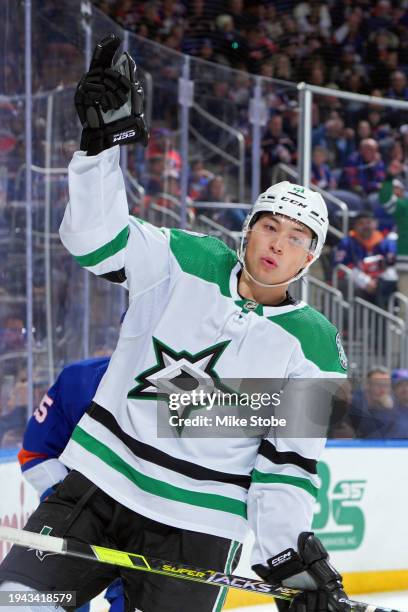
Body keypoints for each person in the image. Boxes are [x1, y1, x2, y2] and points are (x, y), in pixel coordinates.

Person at [0, 35, 350, 612]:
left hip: (198, 531)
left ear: (308, 259)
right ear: (248, 230)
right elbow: (95, 241)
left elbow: (285, 463)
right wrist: (98, 152)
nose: (277, 244)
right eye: (269, 227)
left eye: (296, 239)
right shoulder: (182, 260)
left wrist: (288, 558)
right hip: (95, 492)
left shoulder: (315, 346)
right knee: (20, 604)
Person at [18, 357, 124, 612]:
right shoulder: (81, 379)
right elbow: (35, 453)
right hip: (76, 520)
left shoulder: (189, 386)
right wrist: (73, 508)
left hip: (149, 525)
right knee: (47, 597)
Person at [332, 210, 397, 309]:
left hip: (381, 282)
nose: (366, 226)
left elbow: (392, 264)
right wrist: (365, 281)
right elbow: (340, 268)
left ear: (375, 224)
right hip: (358, 283)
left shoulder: (385, 242)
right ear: (355, 226)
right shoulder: (347, 243)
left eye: (369, 223)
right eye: (361, 223)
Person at [350, 367, 396, 439]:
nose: (382, 389)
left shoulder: (395, 404)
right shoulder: (354, 403)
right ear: (367, 385)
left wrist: (392, 411)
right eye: (378, 384)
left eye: (386, 385)